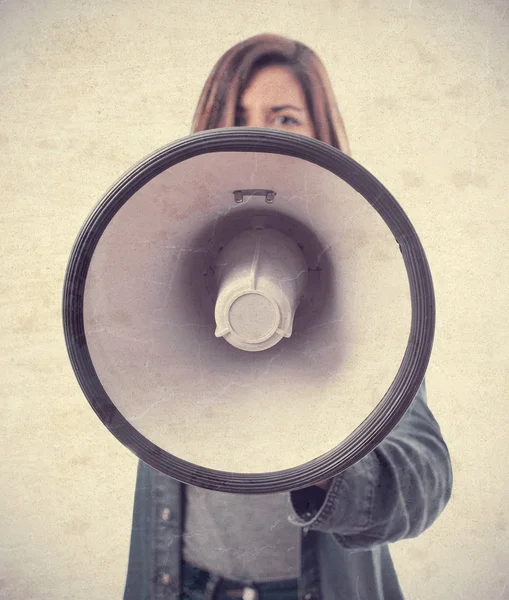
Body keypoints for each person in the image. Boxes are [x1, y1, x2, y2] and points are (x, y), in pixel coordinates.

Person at [122, 33, 453, 600]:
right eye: (236, 117)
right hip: (185, 585)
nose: (257, 134)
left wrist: (321, 464)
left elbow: (425, 476)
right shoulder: (165, 263)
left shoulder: (369, 287)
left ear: (322, 135)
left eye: (285, 118)